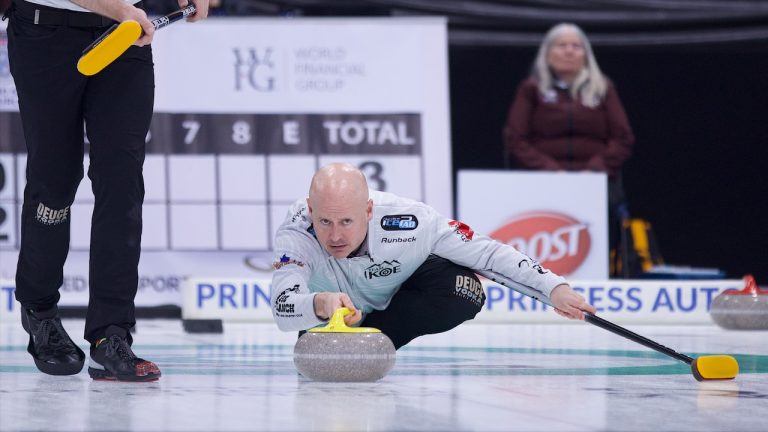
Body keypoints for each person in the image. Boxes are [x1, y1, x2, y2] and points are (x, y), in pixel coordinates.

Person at [4, 0, 208, 381]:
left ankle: (110, 334)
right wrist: (121, 10)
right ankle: (40, 311)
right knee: (55, 180)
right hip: (45, 32)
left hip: (125, 34)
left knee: (122, 184)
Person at [270, 163, 596, 349]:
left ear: (369, 210)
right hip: (329, 317)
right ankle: (350, 335)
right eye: (324, 221)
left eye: (346, 221)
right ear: (311, 211)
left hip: (396, 303)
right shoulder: (296, 233)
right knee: (312, 354)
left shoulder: (412, 221)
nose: (336, 235)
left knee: (465, 291)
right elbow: (283, 305)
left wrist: (554, 288)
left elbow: (487, 254)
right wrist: (318, 304)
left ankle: (379, 340)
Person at [503, 23, 634, 274]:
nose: (569, 51)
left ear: (586, 54)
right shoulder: (531, 89)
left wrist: (595, 170)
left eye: (576, 46)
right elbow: (516, 138)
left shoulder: (603, 88)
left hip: (597, 183)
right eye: (562, 45)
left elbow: (623, 137)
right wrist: (550, 171)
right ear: (548, 53)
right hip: (542, 183)